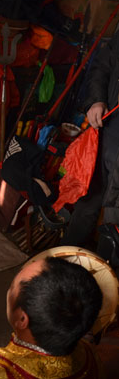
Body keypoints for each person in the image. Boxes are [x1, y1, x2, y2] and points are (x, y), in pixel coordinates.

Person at [62, 31, 119, 246]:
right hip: (109, 130)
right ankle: (67, 261)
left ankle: (106, 265)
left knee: (115, 224)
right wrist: (97, 100)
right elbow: (103, 65)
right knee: (87, 203)